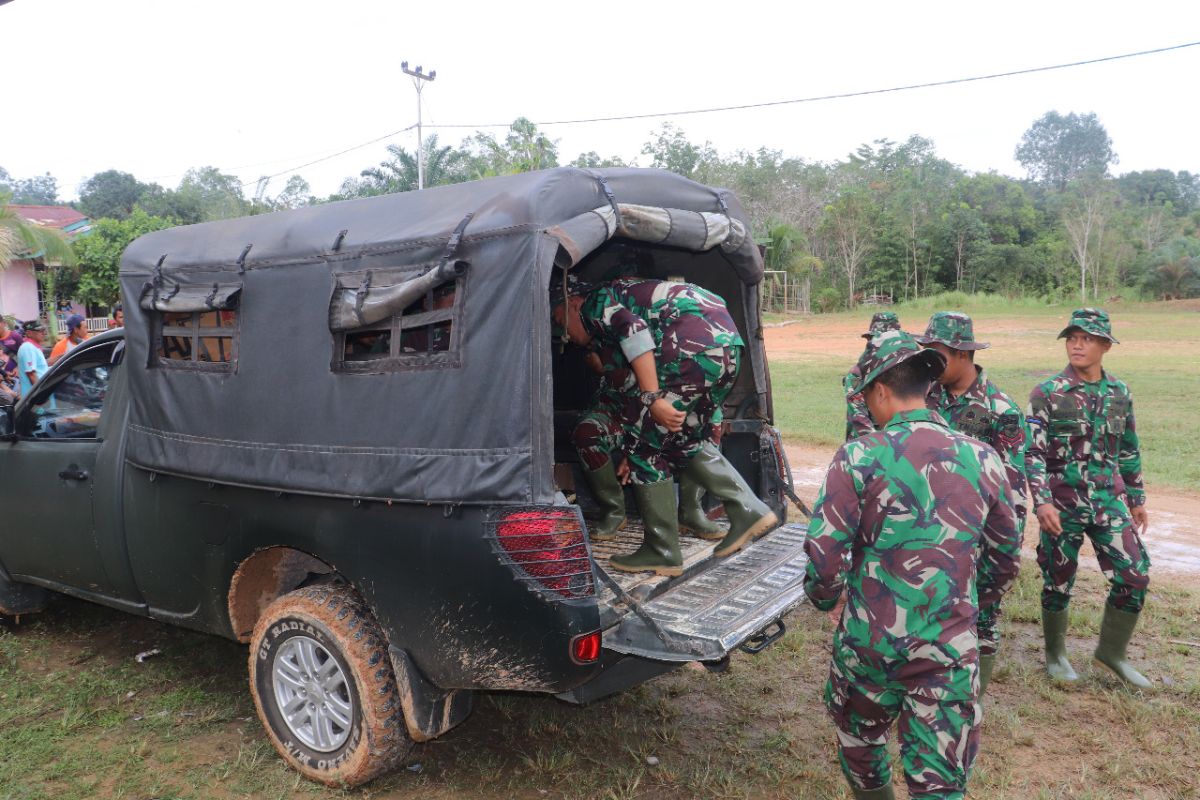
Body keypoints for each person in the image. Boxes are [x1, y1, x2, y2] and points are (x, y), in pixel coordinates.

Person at [805, 329, 1021, 800]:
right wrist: (971, 608)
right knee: (941, 782)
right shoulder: (982, 458)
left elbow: (824, 556)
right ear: (925, 389)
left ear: (880, 390)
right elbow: (1006, 555)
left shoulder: (858, 455)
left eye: (867, 398)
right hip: (948, 646)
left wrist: (825, 601)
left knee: (861, 746)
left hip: (868, 645)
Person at [552, 276, 776, 575]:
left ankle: (662, 550)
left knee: (644, 449)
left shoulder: (596, 302)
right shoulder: (627, 294)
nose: (562, 331)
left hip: (690, 348)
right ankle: (748, 510)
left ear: (574, 303)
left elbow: (635, 332)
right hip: (727, 349)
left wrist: (652, 397)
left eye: (559, 318)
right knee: (680, 440)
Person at [1026, 308, 1151, 688]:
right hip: (1061, 504)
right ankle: (1056, 655)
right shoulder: (1047, 393)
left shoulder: (1119, 392)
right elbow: (1032, 453)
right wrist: (1042, 501)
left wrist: (1136, 496)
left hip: (1108, 501)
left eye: (1087, 338)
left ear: (1105, 346)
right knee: (1058, 578)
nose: (1077, 344)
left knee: (1134, 574)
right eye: (1072, 337)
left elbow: (1128, 447)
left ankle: (1111, 653)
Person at [915, 311, 1029, 697]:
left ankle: (970, 701)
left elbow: (1012, 491)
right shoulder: (923, 399)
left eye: (937, 352)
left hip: (975, 536)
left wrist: (1003, 551)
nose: (929, 360)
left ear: (962, 353)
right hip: (927, 531)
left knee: (982, 620)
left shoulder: (1001, 410)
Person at [571, 343, 725, 542]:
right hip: (618, 412)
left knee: (709, 423)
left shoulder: (671, 342)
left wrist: (638, 445)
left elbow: (672, 400)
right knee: (586, 432)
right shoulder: (608, 329)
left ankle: (690, 511)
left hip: (659, 416)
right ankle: (614, 511)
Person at [843, 311, 901, 440]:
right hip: (866, 447)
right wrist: (886, 447)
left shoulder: (902, 371)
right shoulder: (858, 374)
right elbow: (859, 419)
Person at [16, 319, 50, 398]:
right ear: (29, 333)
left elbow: (43, 365)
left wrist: (63, 355)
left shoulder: (33, 347)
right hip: (34, 397)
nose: (43, 333)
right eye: (39, 331)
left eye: (43, 330)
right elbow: (31, 374)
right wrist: (42, 394)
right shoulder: (28, 347)